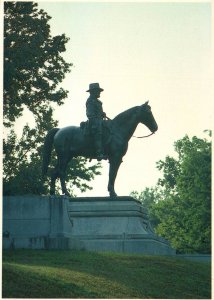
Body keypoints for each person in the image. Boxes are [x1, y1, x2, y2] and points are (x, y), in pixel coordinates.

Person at [86, 83, 107, 161]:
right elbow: (89, 114)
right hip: (93, 121)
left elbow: (99, 112)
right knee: (98, 131)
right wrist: (97, 120)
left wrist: (102, 114)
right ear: (93, 92)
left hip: (99, 120)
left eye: (99, 91)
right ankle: (99, 153)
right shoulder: (90, 101)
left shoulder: (98, 102)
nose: (99, 93)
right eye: (98, 91)